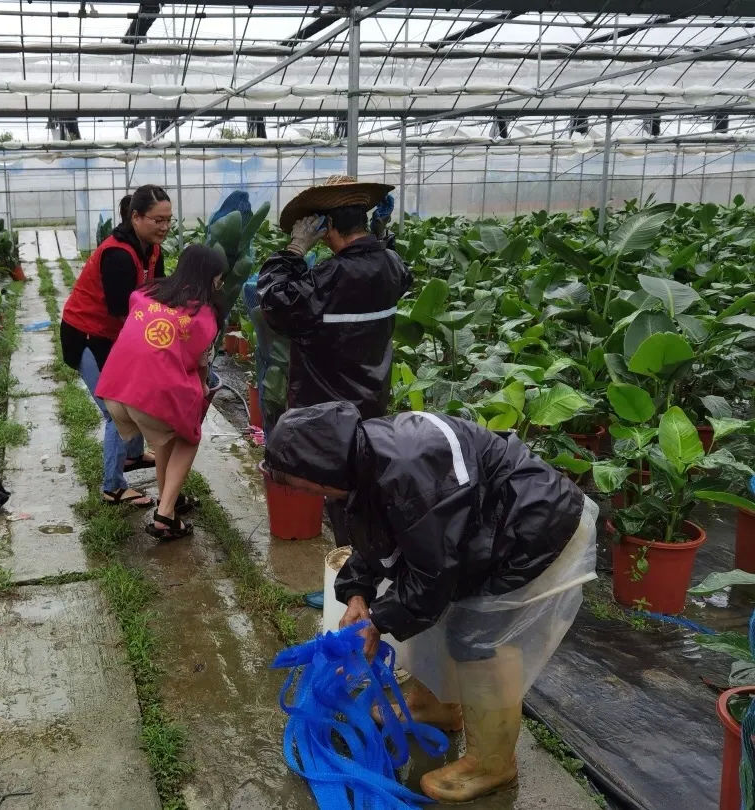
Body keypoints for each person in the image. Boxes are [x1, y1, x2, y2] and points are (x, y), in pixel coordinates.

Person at [263, 401, 599, 803]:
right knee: (438, 616)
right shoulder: (357, 463)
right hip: (480, 528)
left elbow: (433, 575)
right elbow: (377, 541)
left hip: (533, 528)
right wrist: (357, 593)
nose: (303, 493)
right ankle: (438, 704)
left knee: (479, 640)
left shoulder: (409, 474)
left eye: (301, 484)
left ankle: (493, 763)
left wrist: (377, 621)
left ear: (320, 468)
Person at [257, 174, 414, 567]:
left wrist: (294, 249)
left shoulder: (329, 277)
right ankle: (370, 566)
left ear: (326, 226)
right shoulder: (391, 264)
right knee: (365, 485)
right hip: (372, 397)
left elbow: (276, 301)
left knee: (342, 494)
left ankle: (355, 577)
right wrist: (381, 236)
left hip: (329, 406)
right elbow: (398, 272)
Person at [96, 245, 225, 539]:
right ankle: (165, 515)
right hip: (149, 396)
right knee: (189, 436)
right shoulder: (204, 314)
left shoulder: (147, 293)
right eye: (220, 278)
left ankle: (172, 498)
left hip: (116, 389)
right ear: (211, 278)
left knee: (165, 436)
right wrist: (202, 389)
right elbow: (202, 366)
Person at [60, 185, 172, 508]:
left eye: (168, 220)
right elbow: (124, 315)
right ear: (136, 217)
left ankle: (133, 456)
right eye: (157, 220)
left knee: (132, 395)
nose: (164, 227)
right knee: (117, 410)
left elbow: (156, 296)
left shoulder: (152, 249)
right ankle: (112, 486)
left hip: (112, 335)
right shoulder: (118, 256)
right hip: (86, 335)